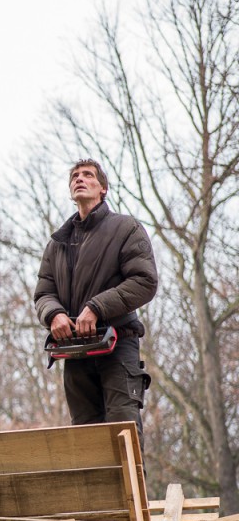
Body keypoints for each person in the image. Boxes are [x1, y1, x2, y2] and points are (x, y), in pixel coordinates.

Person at [34, 158, 158, 432]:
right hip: (75, 353)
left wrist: (96, 308)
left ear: (103, 188)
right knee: (85, 443)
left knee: (123, 434)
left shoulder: (126, 228)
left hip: (117, 345)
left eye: (88, 175)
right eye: (75, 176)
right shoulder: (57, 244)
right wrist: (54, 314)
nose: (80, 178)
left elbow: (145, 281)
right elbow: (44, 292)